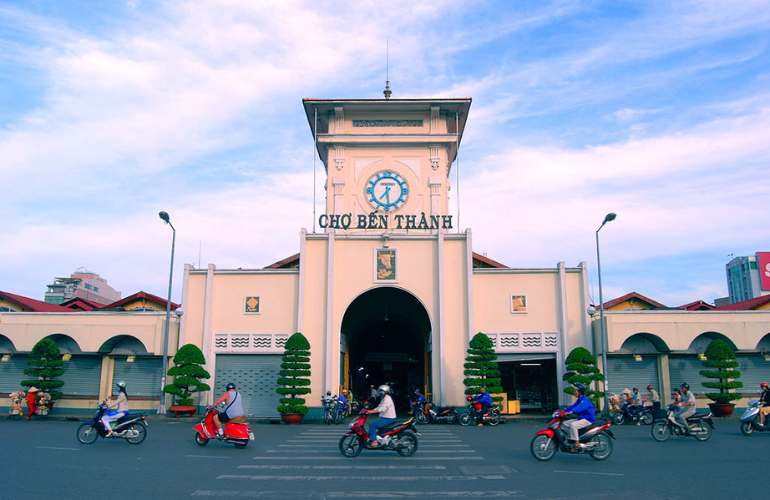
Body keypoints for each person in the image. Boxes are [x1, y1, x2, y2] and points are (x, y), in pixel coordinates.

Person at [562, 383, 596, 448]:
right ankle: (572, 437)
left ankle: (577, 443)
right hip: (582, 418)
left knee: (573, 425)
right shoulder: (579, 399)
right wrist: (564, 411)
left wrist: (572, 411)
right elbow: (573, 406)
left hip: (588, 419)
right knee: (565, 423)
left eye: (575, 391)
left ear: (580, 392)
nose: (574, 392)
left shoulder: (585, 400)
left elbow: (580, 407)